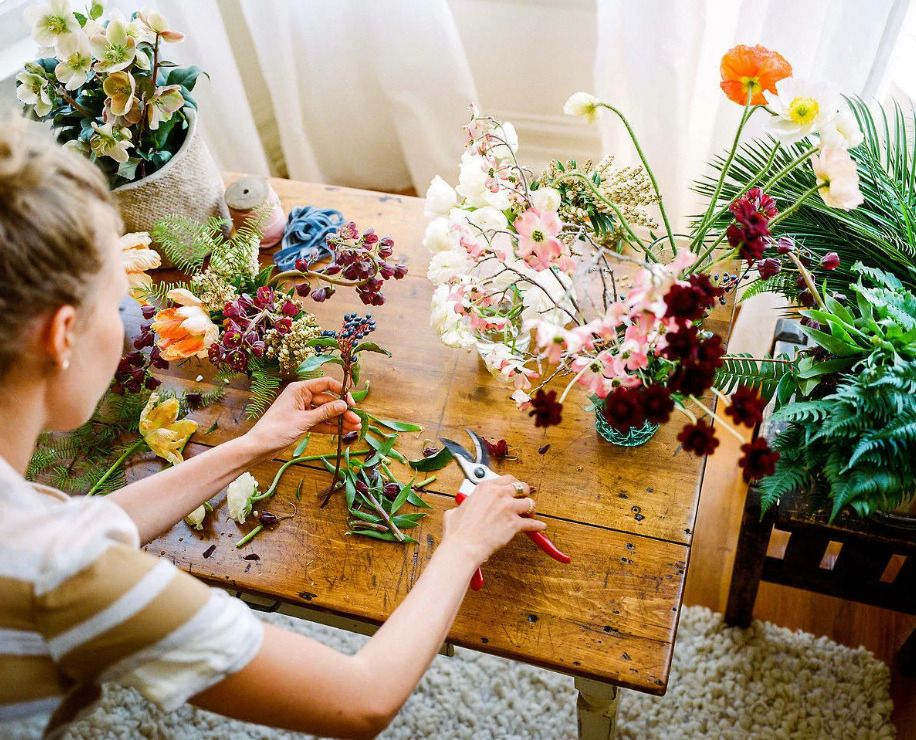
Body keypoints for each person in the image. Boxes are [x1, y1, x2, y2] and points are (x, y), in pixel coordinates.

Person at [0, 122, 546, 740]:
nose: (134, 326)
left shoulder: (34, 532)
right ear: (62, 335)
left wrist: (254, 442)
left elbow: (76, 526)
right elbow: (361, 700)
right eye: (119, 304)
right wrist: (464, 546)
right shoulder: (63, 577)